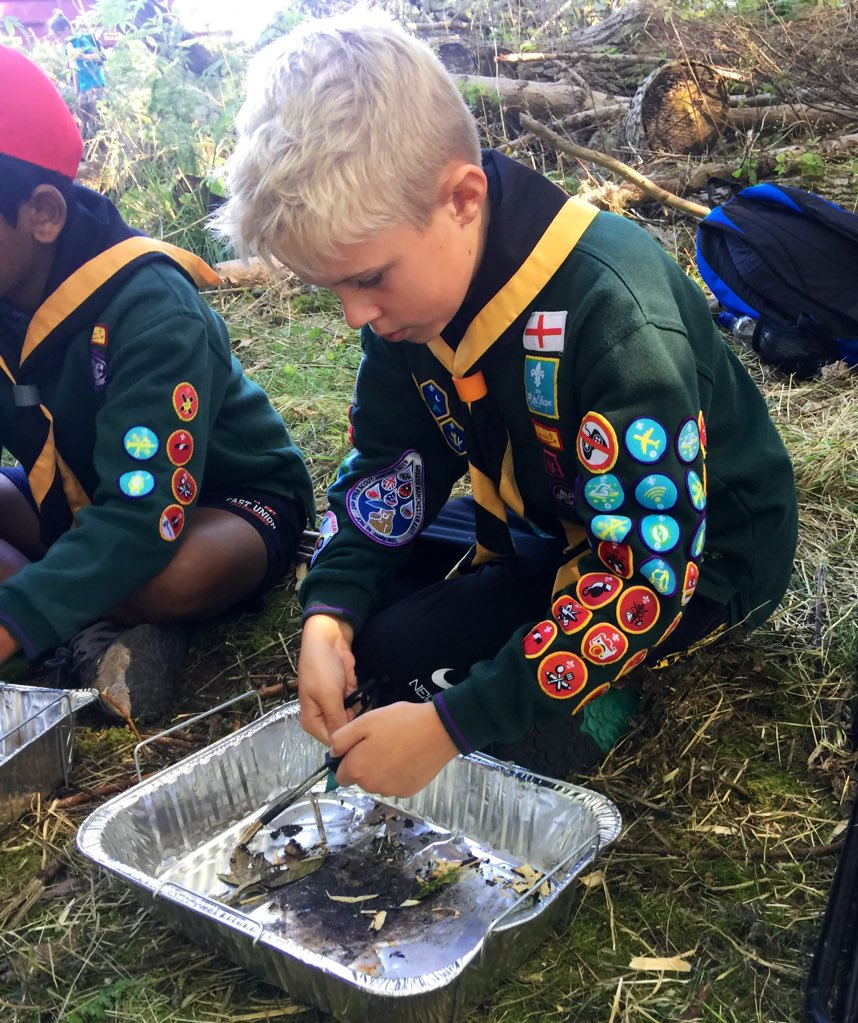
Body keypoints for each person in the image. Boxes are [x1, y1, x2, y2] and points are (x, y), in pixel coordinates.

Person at [215, 12, 798, 797]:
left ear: (462, 199)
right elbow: (390, 467)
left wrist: (454, 724)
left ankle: (591, 704)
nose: (357, 316)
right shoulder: (412, 304)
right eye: (333, 289)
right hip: (553, 519)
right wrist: (330, 614)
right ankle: (510, 662)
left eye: (369, 279)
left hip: (704, 559)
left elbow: (645, 578)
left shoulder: (614, 316)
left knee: (478, 710)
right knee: (383, 646)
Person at [0, 47, 315, 722]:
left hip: (216, 503)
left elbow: (148, 519)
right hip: (77, 501)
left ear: (43, 213)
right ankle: (82, 629)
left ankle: (63, 618)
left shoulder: (148, 306)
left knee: (175, 575)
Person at [46, 11, 106, 137]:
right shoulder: (77, 42)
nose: (58, 39)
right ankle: (95, 145)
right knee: (92, 120)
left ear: (66, 29)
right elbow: (76, 69)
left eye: (59, 35)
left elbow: (97, 58)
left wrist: (83, 56)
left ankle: (93, 146)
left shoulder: (75, 42)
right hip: (92, 86)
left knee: (89, 121)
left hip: (90, 87)